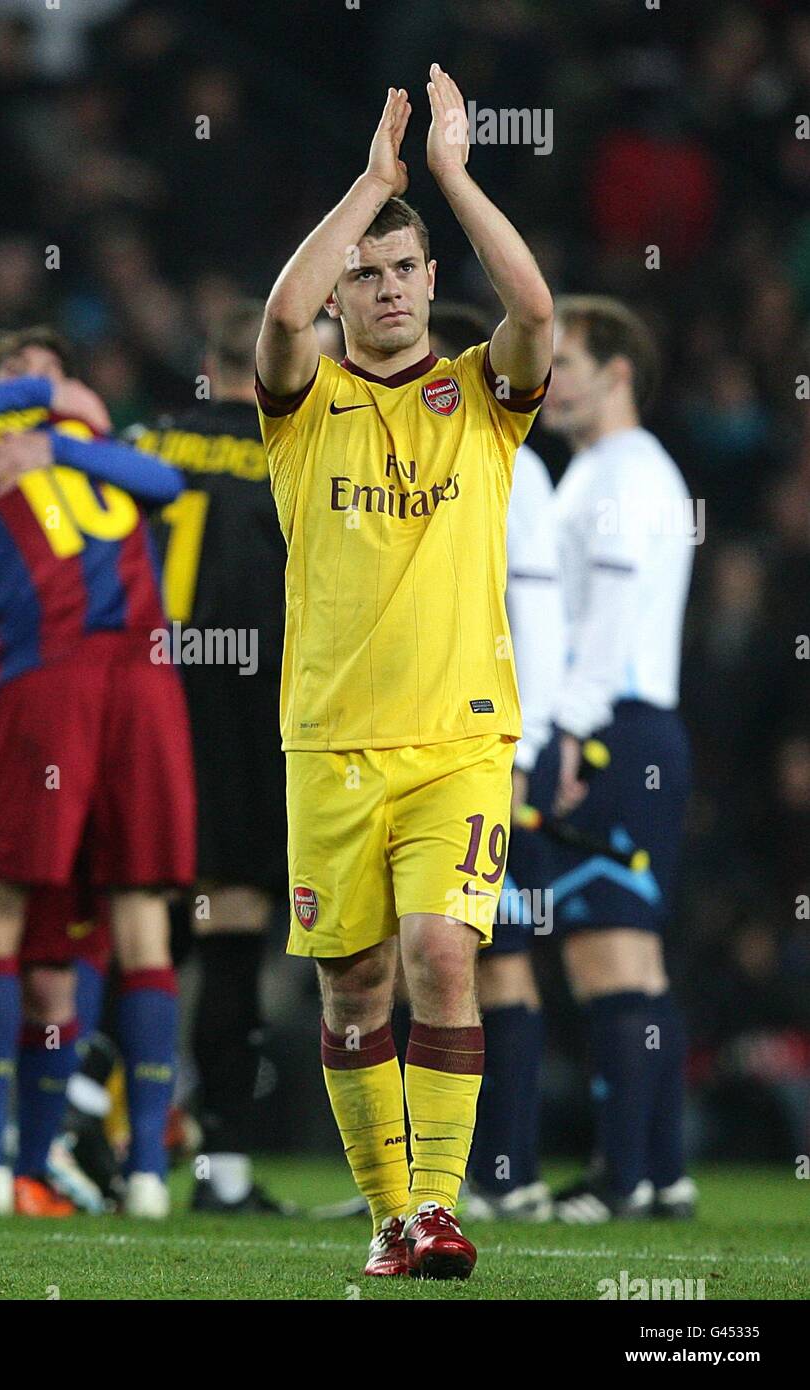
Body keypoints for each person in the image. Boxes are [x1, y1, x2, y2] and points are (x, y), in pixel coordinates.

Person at [255, 74, 552, 1279]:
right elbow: (279, 317)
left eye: (402, 270)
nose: (382, 289)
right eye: (363, 275)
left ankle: (434, 1205)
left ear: (432, 283)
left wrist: (453, 180)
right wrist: (375, 185)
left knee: (442, 953)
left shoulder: (482, 394)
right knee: (354, 989)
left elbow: (536, 307)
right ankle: (389, 1214)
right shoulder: (303, 402)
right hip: (329, 743)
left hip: (460, 741)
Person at [0, 311, 194, 1218]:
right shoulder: (83, 435)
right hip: (147, 673)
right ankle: (142, 1175)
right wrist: (58, 410)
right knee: (137, 918)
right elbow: (161, 480)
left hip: (46, 678)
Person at [534, 295, 696, 1223]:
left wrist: (569, 727)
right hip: (637, 727)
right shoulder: (613, 470)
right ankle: (662, 1172)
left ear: (619, 371)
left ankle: (619, 1178)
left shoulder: (621, 476)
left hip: (615, 727)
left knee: (611, 962)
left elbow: (613, 617)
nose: (549, 380)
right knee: (640, 964)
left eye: (567, 361)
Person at [130, 300, 292, 1214]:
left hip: (142, 700)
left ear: (205, 361)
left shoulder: (148, 445)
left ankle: (99, 1121)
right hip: (246, 709)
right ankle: (220, 1161)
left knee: (137, 916)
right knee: (232, 920)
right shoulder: (292, 449)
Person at [427, 306, 564, 1223]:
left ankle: (510, 1174)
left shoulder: (512, 460)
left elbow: (539, 611)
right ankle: (462, 1178)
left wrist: (533, 741)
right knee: (454, 961)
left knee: (499, 965)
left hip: (499, 746)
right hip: (441, 739)